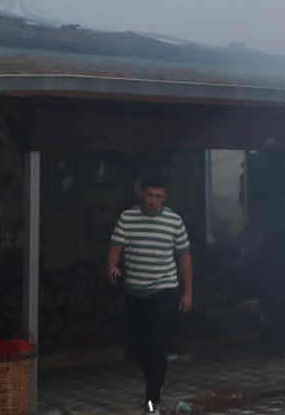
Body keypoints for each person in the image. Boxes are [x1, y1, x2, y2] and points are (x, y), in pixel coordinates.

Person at [106, 170, 192, 413]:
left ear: (165, 196)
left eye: (158, 196)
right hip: (135, 290)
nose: (152, 200)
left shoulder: (174, 221)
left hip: (164, 289)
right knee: (137, 348)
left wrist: (188, 293)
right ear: (142, 194)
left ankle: (152, 400)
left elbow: (184, 257)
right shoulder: (128, 218)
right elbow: (115, 249)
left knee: (157, 342)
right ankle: (155, 379)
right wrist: (112, 269)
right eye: (149, 195)